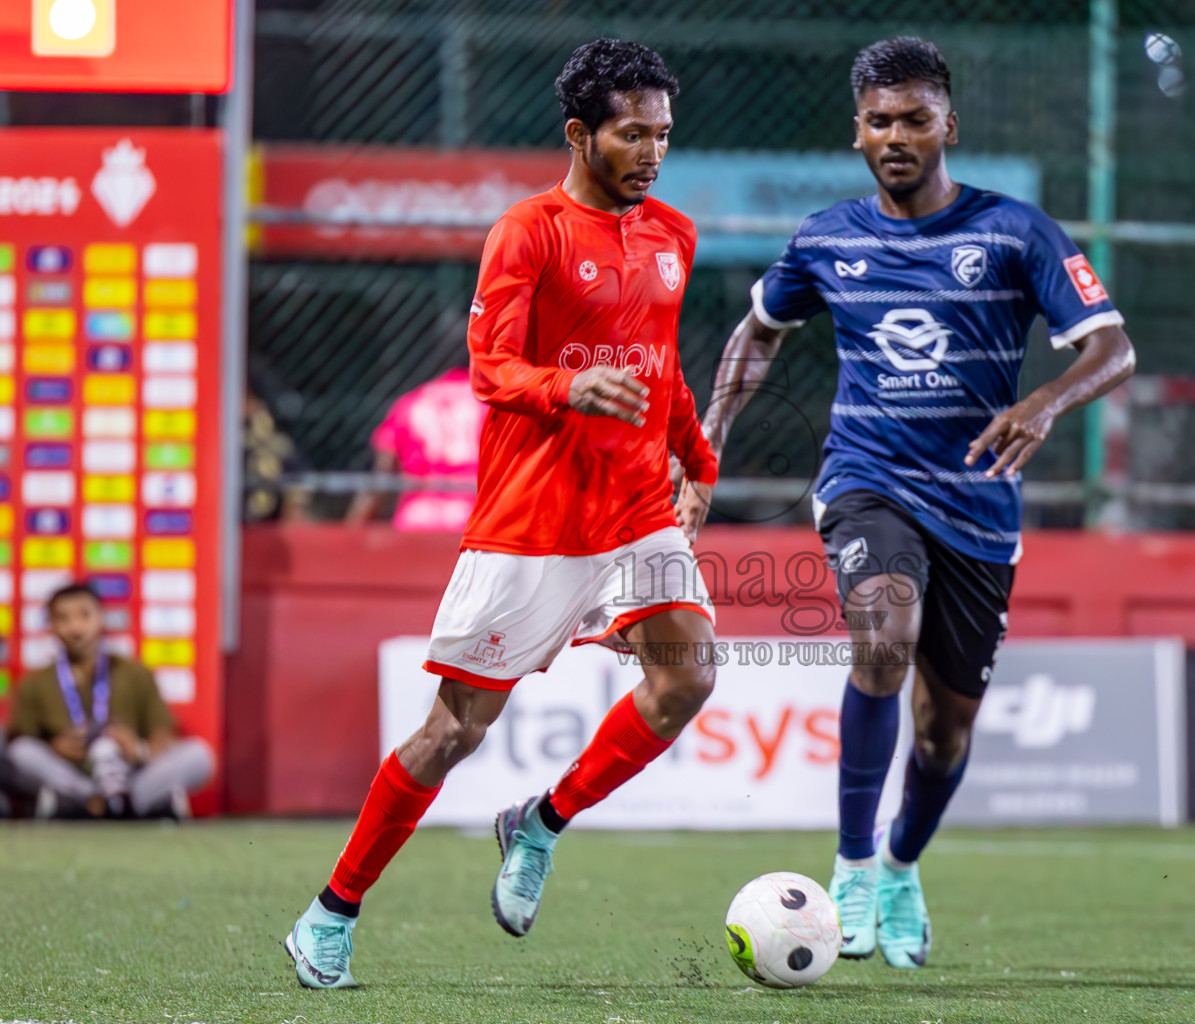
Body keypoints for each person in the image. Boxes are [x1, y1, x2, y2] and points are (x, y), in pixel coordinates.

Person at [679, 37, 1135, 969]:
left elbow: (1112, 347)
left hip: (978, 506)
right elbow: (757, 332)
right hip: (866, 481)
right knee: (882, 636)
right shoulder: (827, 239)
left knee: (944, 729)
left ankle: (898, 864)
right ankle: (849, 864)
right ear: (857, 131)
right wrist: (710, 438)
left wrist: (1043, 402)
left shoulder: (1015, 233)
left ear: (947, 126)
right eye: (880, 120)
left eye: (915, 119)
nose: (896, 135)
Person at [284, 39, 719, 990]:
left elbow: (664, 363)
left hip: (638, 506)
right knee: (454, 732)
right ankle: (332, 911)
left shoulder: (674, 234)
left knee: (688, 675)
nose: (652, 152)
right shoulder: (528, 230)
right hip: (536, 518)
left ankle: (543, 822)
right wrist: (570, 387)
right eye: (633, 134)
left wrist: (698, 457)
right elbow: (493, 372)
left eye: (663, 134)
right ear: (580, 133)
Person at [4, 583, 214, 819]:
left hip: (130, 773)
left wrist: (138, 750)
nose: (75, 627)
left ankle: (123, 800)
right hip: (72, 773)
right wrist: (57, 748)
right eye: (63, 618)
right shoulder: (35, 682)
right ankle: (97, 801)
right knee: (21, 753)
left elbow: (162, 732)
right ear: (51, 625)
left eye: (85, 615)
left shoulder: (134, 672)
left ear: (101, 618)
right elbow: (20, 742)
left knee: (199, 755)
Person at [346, 364, 487, 531]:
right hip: (473, 517)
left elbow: (383, 475)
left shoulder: (411, 401)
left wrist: (352, 529)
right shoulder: (490, 404)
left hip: (417, 517)